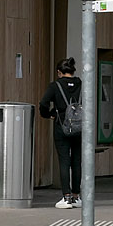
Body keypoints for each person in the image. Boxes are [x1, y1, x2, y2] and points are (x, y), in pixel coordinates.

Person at [39, 58, 83, 209]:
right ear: (73, 71)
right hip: (78, 127)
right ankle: (77, 196)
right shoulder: (82, 84)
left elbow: (43, 103)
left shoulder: (55, 86)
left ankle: (67, 197)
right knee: (77, 161)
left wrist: (49, 114)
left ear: (59, 72)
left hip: (61, 126)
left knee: (64, 161)